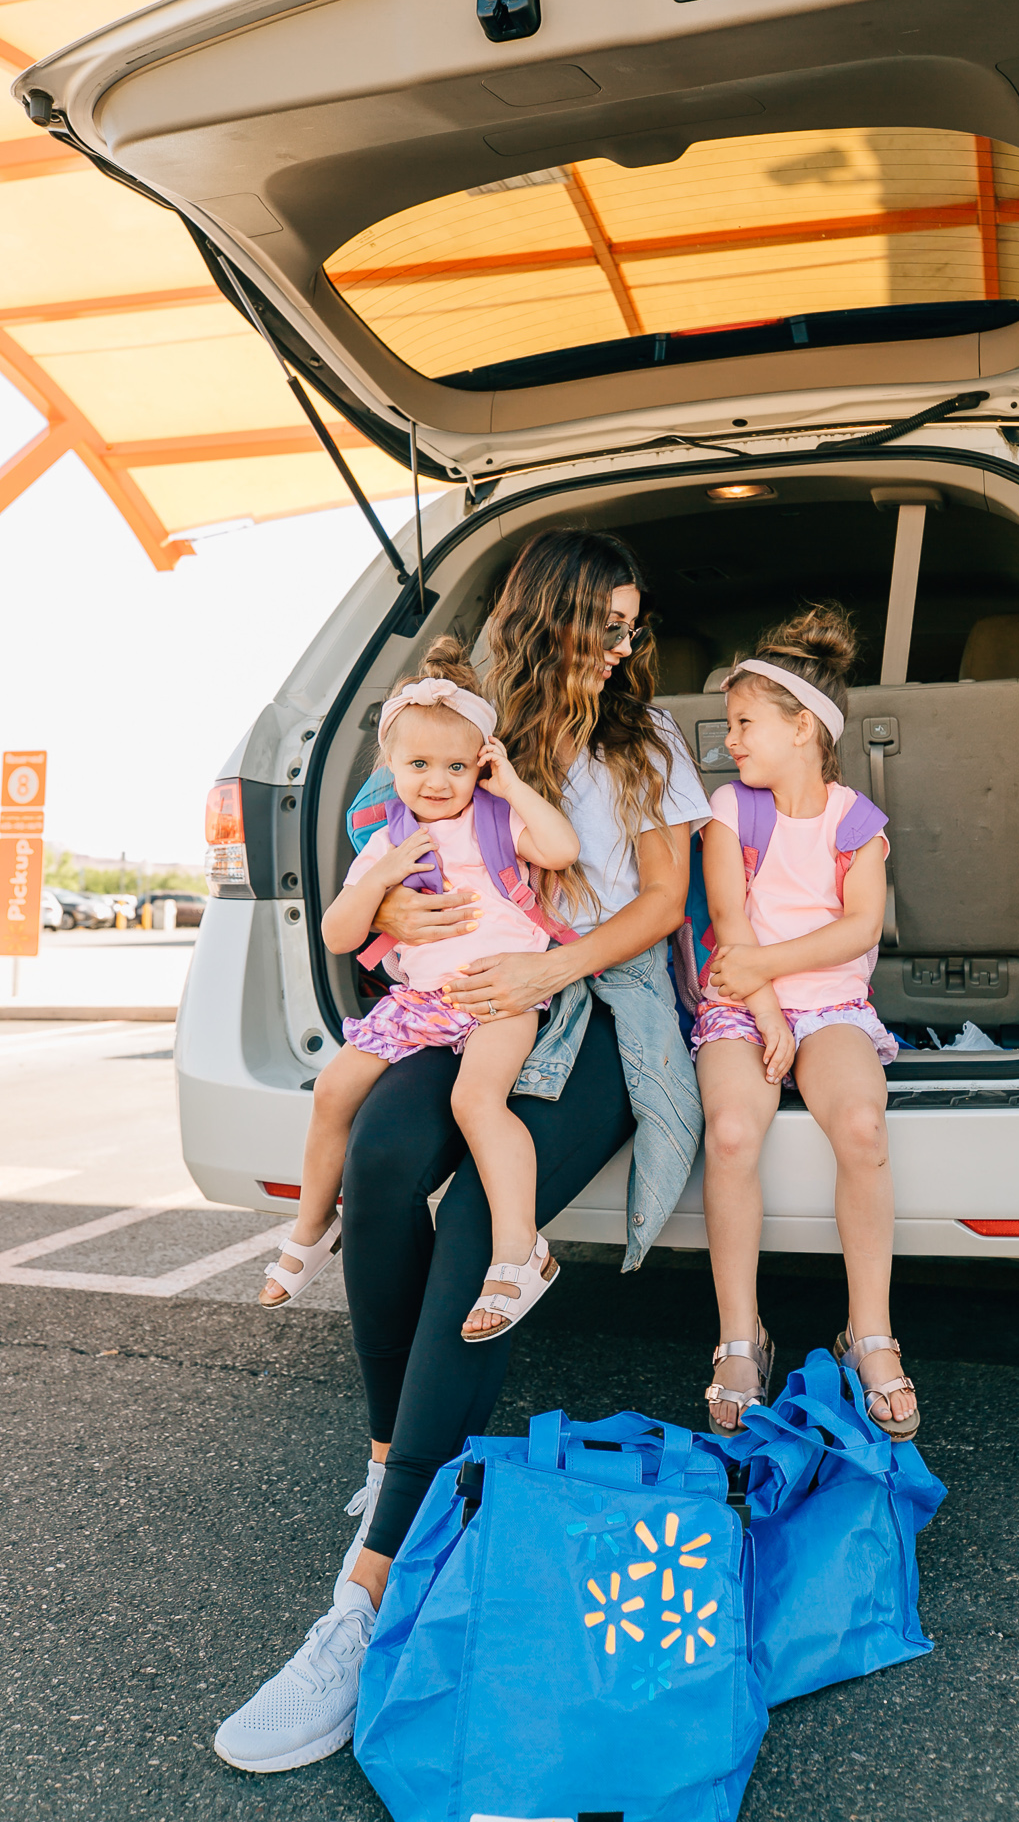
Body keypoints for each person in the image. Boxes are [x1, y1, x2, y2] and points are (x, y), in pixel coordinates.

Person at [214, 529, 709, 1775]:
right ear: (542, 621)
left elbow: (655, 903)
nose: (619, 649)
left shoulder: (644, 748)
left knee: (488, 1227)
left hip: (586, 1000)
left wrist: (550, 960)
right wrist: (386, 903)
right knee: (381, 1153)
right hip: (464, 991)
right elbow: (389, 855)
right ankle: (398, 1457)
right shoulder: (460, 736)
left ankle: (364, 1594)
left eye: (632, 628)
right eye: (600, 625)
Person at [257, 637, 580, 1344]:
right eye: (419, 765)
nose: (437, 781)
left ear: (481, 764)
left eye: (458, 766)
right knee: (333, 1090)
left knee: (475, 1099)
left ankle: (520, 1248)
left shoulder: (496, 819)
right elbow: (339, 934)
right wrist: (378, 877)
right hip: (421, 1003)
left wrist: (510, 784)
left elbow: (560, 852)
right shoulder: (388, 839)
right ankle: (314, 1224)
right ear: (391, 767)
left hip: (498, 995)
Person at [692, 605, 920, 1442]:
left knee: (861, 1126)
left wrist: (777, 984)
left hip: (826, 1003)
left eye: (744, 724)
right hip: (740, 1002)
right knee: (729, 1134)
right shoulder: (729, 810)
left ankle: (868, 1334)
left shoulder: (853, 820)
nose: (731, 742)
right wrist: (758, 1006)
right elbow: (727, 920)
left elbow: (860, 929)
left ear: (801, 728)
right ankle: (739, 1338)